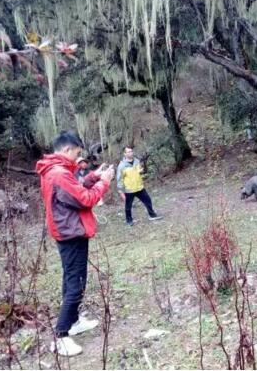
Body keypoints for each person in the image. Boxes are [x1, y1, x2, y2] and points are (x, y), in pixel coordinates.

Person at [36, 130, 115, 357]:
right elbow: (86, 199)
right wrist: (105, 182)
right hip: (71, 233)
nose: (77, 158)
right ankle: (60, 335)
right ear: (66, 150)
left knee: (71, 279)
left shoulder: (55, 170)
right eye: (77, 153)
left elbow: (74, 191)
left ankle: (74, 321)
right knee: (76, 284)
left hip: (68, 231)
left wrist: (93, 177)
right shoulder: (59, 173)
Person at [116, 146, 162, 226]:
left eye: (131, 151)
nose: (131, 153)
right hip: (129, 189)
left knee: (148, 200)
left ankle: (152, 215)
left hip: (139, 187)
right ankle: (129, 221)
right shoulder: (122, 165)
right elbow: (119, 179)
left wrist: (141, 171)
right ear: (125, 154)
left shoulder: (136, 161)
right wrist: (120, 191)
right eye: (128, 152)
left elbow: (139, 171)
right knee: (128, 206)